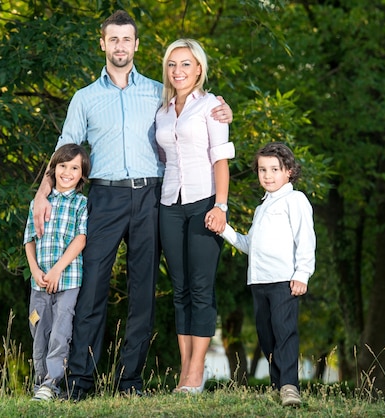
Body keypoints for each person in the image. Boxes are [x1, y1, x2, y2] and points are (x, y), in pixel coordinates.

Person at [32, 10, 233, 399]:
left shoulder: (159, 93)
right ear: (103, 44)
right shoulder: (85, 98)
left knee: (143, 291)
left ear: (136, 45)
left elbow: (194, 116)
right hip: (104, 197)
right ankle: (80, 382)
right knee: (91, 290)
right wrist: (43, 193)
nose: (120, 46)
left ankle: (130, 381)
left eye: (127, 39)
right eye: (113, 40)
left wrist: (222, 108)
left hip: (150, 197)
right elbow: (64, 149)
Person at [155, 38, 234, 394]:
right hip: (170, 205)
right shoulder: (162, 111)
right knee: (180, 289)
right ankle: (185, 369)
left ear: (199, 69)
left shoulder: (212, 108)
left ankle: (197, 372)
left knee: (202, 289)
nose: (179, 71)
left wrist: (221, 206)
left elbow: (220, 159)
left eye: (186, 64)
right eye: (173, 64)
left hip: (204, 203)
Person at [213, 142, 315, 407]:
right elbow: (250, 245)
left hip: (284, 280)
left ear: (289, 171)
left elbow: (306, 239)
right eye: (261, 170)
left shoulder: (295, 200)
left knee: (284, 333)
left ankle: (290, 386)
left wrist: (302, 273)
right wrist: (224, 229)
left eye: (274, 169)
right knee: (266, 336)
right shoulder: (261, 208)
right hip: (259, 281)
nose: (267, 175)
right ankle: (277, 386)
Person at [23, 144, 90, 401]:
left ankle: (52, 383)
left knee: (61, 331)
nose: (67, 172)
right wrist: (36, 270)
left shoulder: (81, 204)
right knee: (38, 328)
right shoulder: (39, 203)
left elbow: (80, 239)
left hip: (67, 280)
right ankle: (40, 382)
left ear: (82, 174)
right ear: (53, 169)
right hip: (38, 282)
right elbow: (29, 238)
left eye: (74, 168)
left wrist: (57, 270)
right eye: (62, 166)